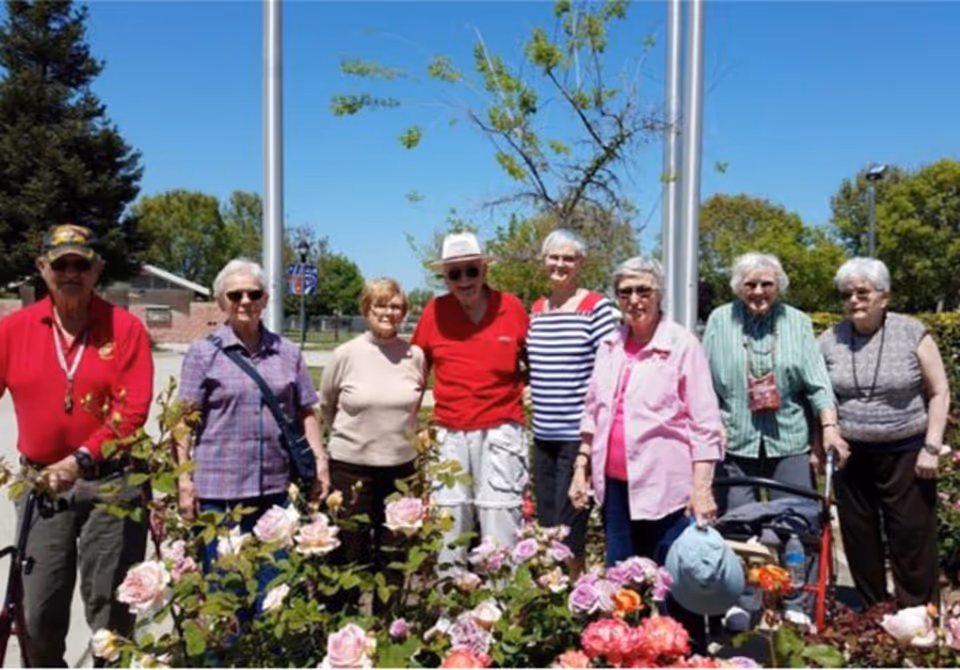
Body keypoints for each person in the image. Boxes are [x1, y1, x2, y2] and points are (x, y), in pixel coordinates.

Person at [0, 224, 154, 667]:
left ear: (97, 270)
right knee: (38, 611)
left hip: (112, 483)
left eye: (81, 264)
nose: (71, 272)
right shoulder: (14, 330)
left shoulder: (123, 328)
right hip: (42, 483)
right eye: (61, 263)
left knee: (112, 611)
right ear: (42, 267)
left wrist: (81, 458)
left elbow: (132, 411)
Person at [568, 256, 724, 649]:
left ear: (659, 294)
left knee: (674, 584)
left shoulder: (681, 346)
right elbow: (593, 411)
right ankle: (629, 652)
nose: (634, 299)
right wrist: (581, 466)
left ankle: (685, 654)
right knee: (623, 582)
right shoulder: (610, 345)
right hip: (616, 487)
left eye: (643, 290)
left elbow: (706, 424)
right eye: (625, 292)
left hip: (667, 489)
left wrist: (701, 487)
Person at [175, 258, 329, 571]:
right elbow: (183, 423)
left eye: (253, 294)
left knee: (274, 590)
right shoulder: (202, 353)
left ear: (265, 299)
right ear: (222, 302)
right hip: (219, 493)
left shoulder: (287, 352)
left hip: (275, 489)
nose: (245, 301)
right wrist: (183, 480)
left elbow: (305, 411)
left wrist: (320, 462)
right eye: (235, 295)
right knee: (225, 591)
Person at [818, 258, 950, 608]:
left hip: (907, 451)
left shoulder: (911, 332)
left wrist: (932, 447)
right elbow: (819, 394)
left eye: (863, 292)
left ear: (884, 297)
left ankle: (919, 614)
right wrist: (820, 443)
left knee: (911, 537)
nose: (854, 300)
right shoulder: (830, 339)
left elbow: (939, 391)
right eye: (847, 294)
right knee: (859, 537)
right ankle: (871, 613)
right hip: (851, 453)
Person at [412, 232, 530, 567]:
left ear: (484, 270)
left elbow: (535, 360)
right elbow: (416, 373)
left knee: (502, 517)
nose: (464, 280)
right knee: (450, 522)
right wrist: (410, 425)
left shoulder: (511, 307)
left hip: (502, 428)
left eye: (471, 271)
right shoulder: (435, 312)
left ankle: (502, 607)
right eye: (455, 273)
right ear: (445, 278)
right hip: (451, 430)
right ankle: (450, 608)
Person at [702, 252, 845, 511]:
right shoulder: (719, 320)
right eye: (750, 285)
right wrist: (711, 427)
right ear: (738, 287)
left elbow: (818, 384)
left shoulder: (797, 321)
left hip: (789, 439)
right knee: (738, 528)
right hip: (734, 440)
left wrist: (830, 428)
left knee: (796, 524)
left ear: (778, 286)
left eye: (766, 284)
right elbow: (704, 386)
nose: (758, 291)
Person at [320, 278, 426, 613]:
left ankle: (386, 626)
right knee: (349, 551)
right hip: (351, 468)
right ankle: (343, 625)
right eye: (380, 305)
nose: (388, 312)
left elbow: (414, 405)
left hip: (400, 469)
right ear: (366, 308)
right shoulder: (345, 354)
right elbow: (327, 405)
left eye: (395, 306)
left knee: (394, 554)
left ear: (404, 313)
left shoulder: (414, 355)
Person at [527, 229, 617, 573]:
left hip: (577, 435)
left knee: (572, 524)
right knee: (548, 522)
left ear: (580, 263)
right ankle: (554, 592)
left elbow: (608, 373)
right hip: (543, 434)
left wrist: (588, 439)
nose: (560, 264)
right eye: (554, 257)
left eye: (569, 258)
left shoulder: (596, 307)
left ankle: (576, 594)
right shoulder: (537, 310)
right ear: (543, 261)